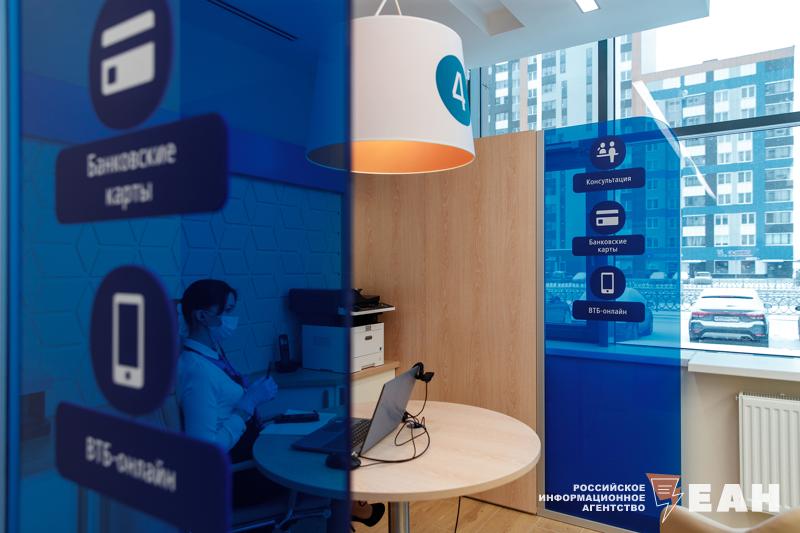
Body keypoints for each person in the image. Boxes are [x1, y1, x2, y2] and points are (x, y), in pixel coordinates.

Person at [177, 279, 385, 528]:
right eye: (227, 310)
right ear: (201, 315)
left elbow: (223, 405)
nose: (233, 318)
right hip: (237, 476)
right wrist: (247, 405)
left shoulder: (212, 355)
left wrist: (251, 399)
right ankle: (352, 509)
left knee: (324, 445)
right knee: (327, 468)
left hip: (252, 452)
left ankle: (350, 509)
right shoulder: (197, 371)